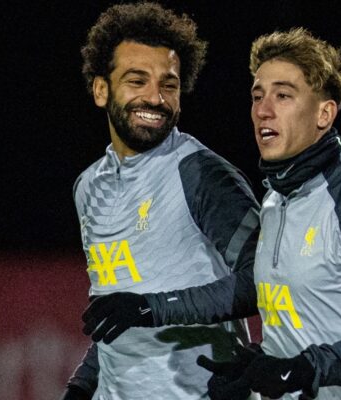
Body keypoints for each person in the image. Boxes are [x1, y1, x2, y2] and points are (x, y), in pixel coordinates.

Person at [81, 27, 341, 399]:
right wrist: (254, 365)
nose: (264, 110)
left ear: (325, 113)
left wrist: (306, 368)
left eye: (283, 95)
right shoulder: (276, 201)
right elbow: (280, 307)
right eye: (257, 95)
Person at [59, 2, 260, 399]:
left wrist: (154, 307)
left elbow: (264, 278)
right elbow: (118, 313)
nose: (156, 98)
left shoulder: (202, 173)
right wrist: (82, 386)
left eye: (168, 84)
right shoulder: (88, 187)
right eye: (137, 81)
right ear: (102, 90)